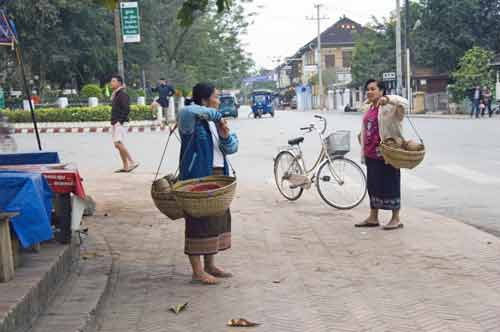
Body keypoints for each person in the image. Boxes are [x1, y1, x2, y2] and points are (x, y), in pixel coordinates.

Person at [177, 83, 238, 285]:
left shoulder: (215, 121)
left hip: (219, 175)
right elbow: (187, 109)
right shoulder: (190, 119)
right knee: (197, 222)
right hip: (198, 175)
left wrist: (225, 135)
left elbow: (232, 148)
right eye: (216, 96)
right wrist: (216, 116)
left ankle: (210, 265)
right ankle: (197, 271)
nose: (219, 101)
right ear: (205, 99)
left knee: (216, 221)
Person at [356, 79, 408, 230]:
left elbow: (405, 103)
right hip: (371, 153)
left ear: (381, 91)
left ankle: (396, 218)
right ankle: (373, 217)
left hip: (388, 154)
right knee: (373, 186)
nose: (369, 91)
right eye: (368, 89)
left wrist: (389, 99)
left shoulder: (390, 107)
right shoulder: (368, 107)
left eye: (373, 89)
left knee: (391, 184)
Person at [110, 75, 139, 173]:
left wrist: (120, 121)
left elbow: (127, 108)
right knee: (118, 144)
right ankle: (126, 166)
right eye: (111, 81)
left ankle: (132, 162)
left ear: (119, 83)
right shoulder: (116, 94)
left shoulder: (122, 94)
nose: (111, 83)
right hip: (115, 122)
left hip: (120, 122)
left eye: (113, 81)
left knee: (118, 143)